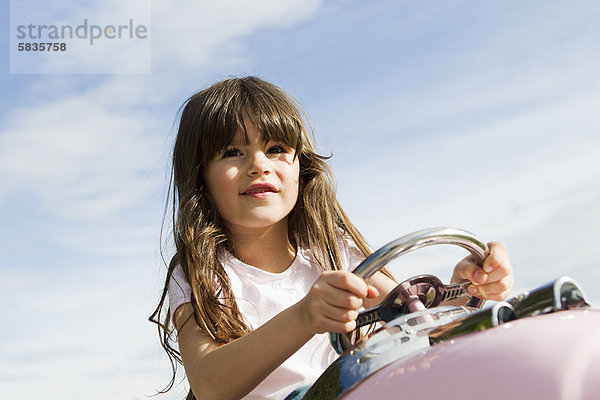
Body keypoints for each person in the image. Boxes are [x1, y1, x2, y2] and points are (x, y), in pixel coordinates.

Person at [149, 76, 514, 400]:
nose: (259, 164)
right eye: (232, 152)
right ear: (201, 178)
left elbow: (413, 315)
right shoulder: (203, 273)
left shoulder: (334, 252)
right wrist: (305, 316)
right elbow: (211, 385)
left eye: (276, 149)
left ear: (301, 169)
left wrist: (466, 290)